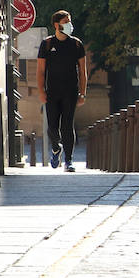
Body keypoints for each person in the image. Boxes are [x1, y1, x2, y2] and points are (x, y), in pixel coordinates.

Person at [37, 10, 87, 172]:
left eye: (69, 21)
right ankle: (56, 148)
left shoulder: (77, 44)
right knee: (52, 125)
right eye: (66, 22)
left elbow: (83, 71)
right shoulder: (47, 44)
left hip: (70, 91)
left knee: (67, 125)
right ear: (57, 25)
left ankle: (69, 160)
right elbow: (40, 71)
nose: (69, 25)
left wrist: (82, 93)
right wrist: (41, 91)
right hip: (52, 91)